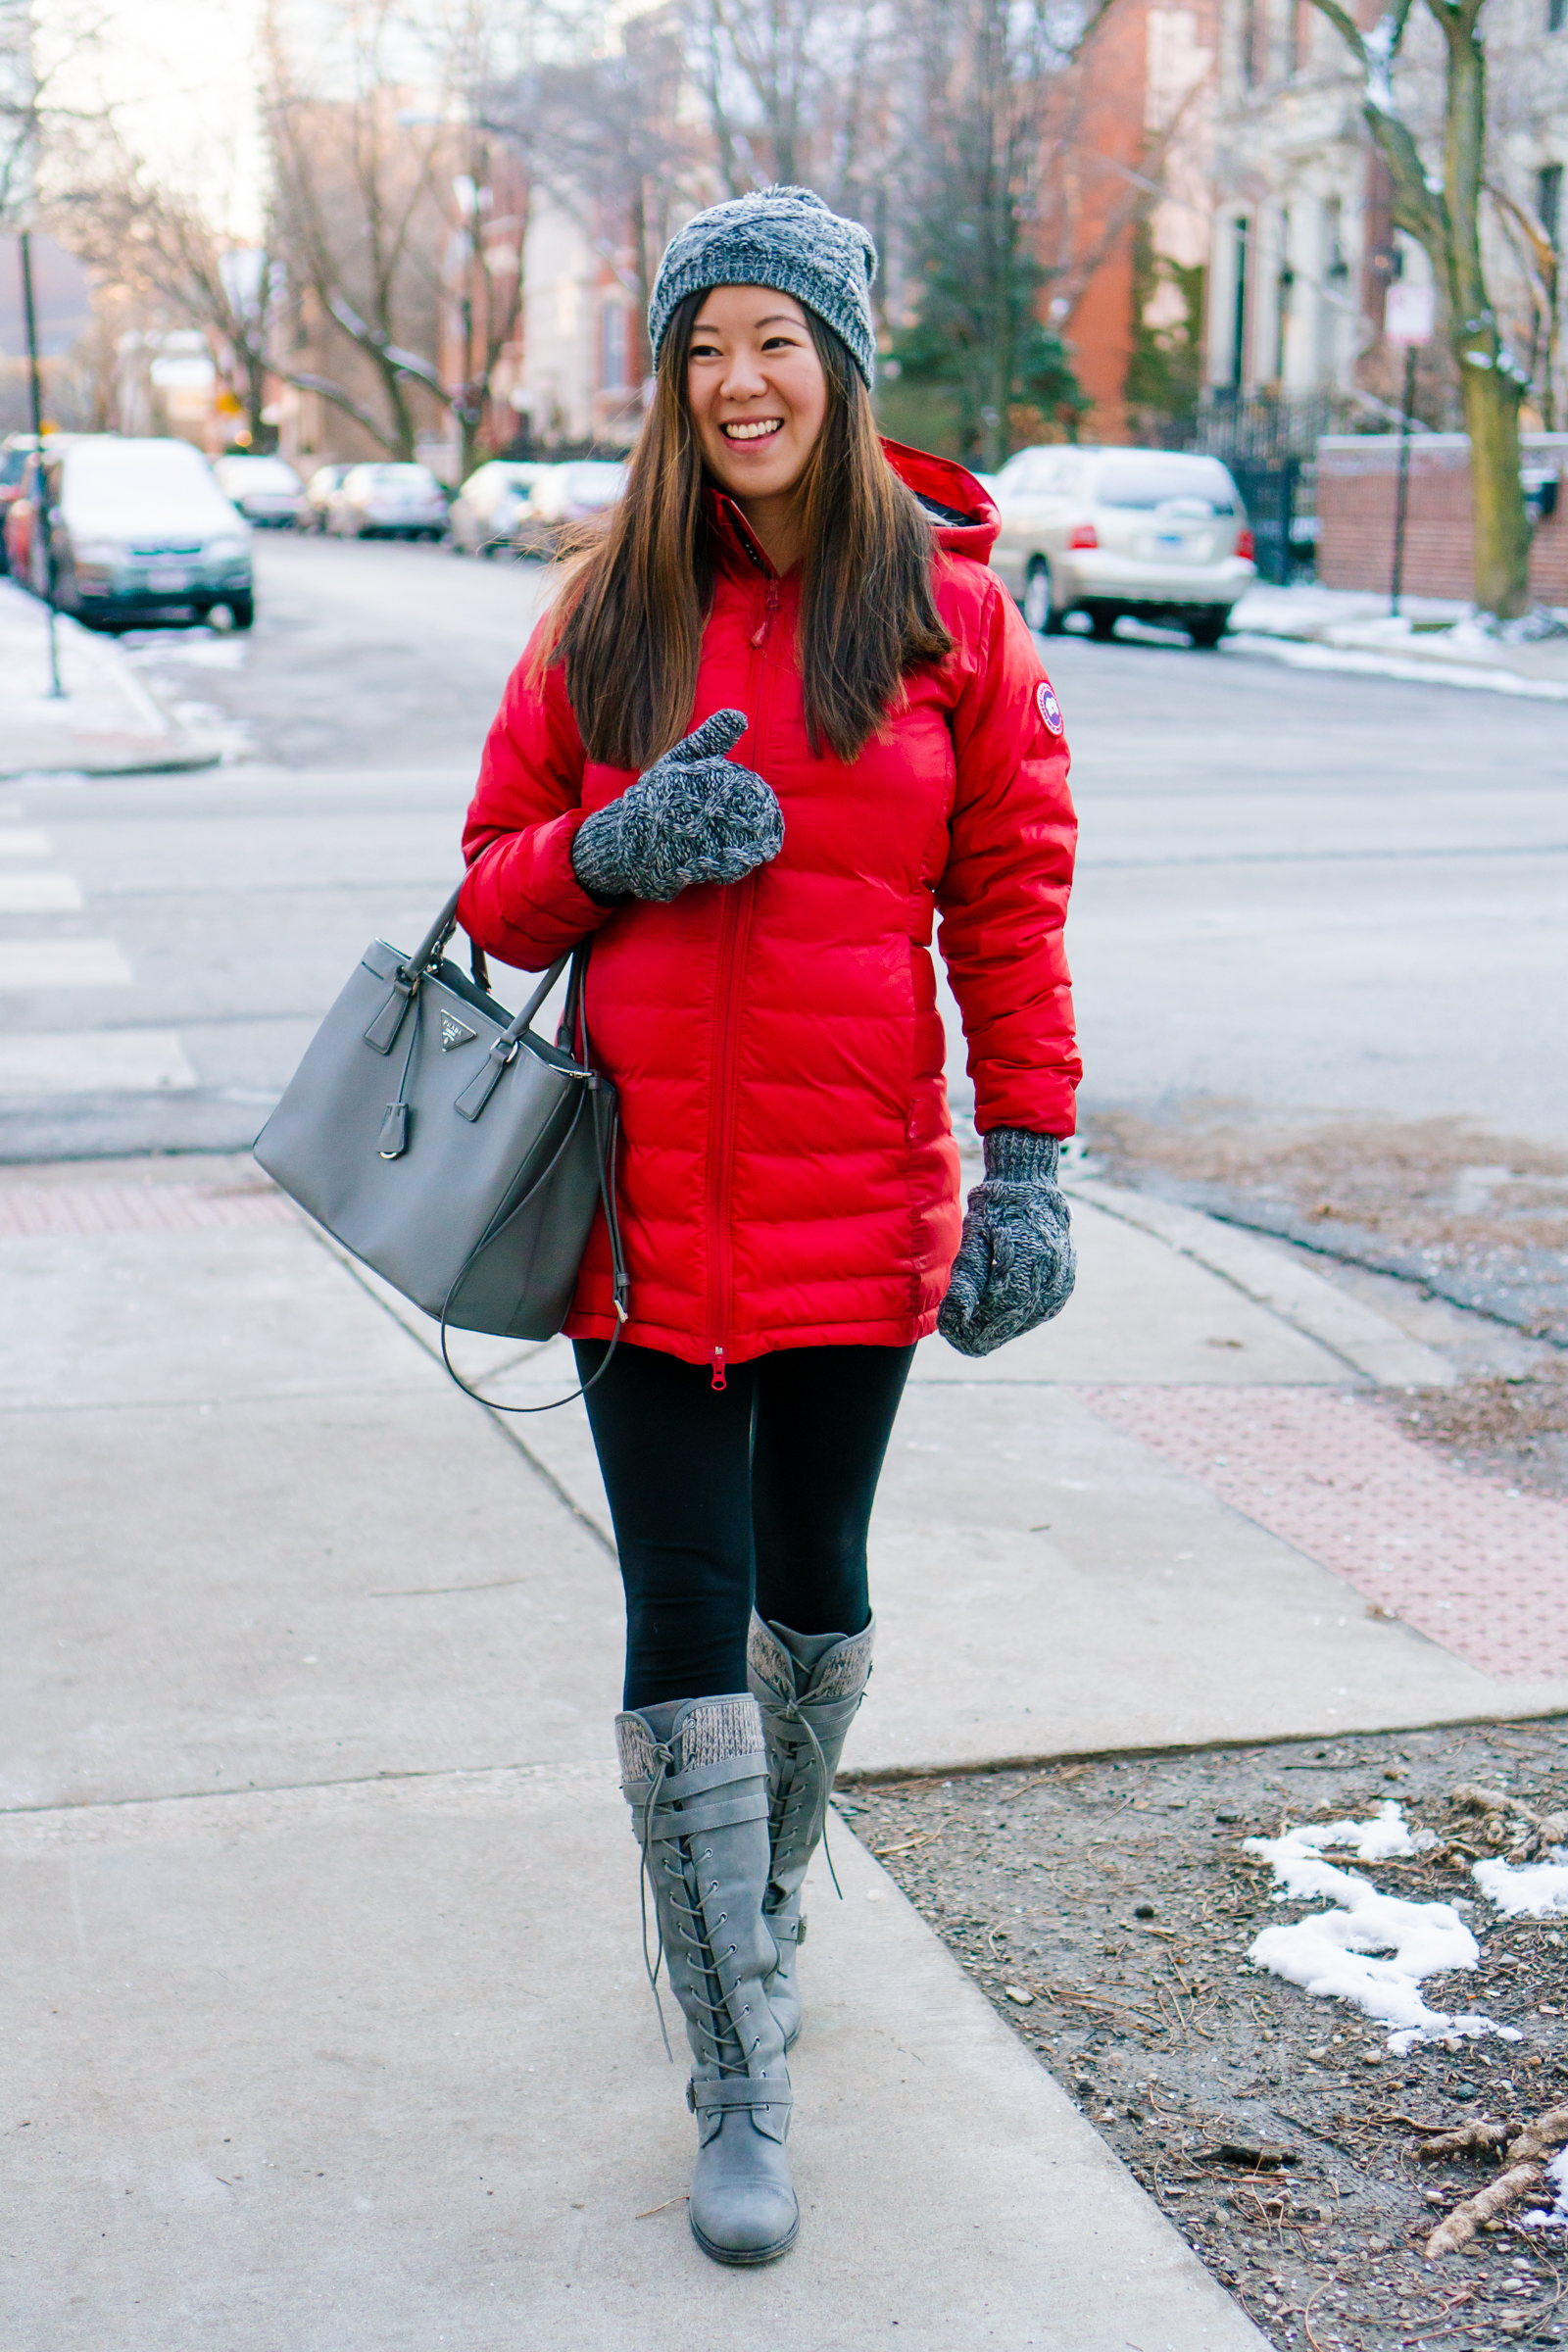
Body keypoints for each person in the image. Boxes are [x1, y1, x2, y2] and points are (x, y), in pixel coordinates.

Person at [458, 184, 1080, 2268]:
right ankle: (739, 2061)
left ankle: (760, 1906)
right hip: (628, 1220)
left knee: (811, 1598)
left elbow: (1007, 908)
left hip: (851, 1203)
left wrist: (1031, 1164)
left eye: (774, 343)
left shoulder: (949, 622)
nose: (737, 383)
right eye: (703, 347)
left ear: (839, 363)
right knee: (676, 1622)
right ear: (671, 377)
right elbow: (490, 890)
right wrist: (607, 846)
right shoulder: (600, 615)